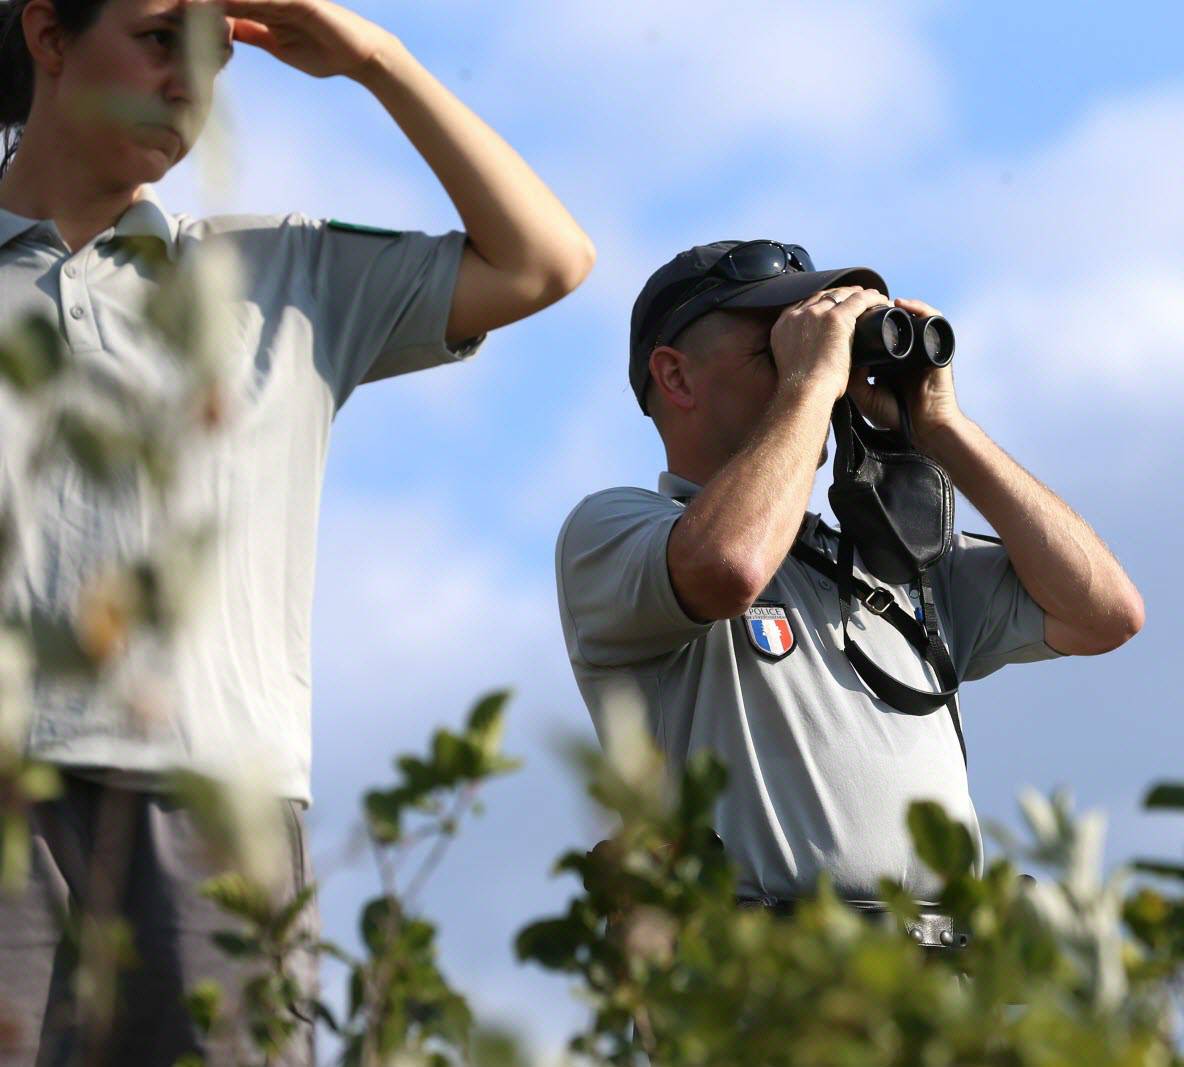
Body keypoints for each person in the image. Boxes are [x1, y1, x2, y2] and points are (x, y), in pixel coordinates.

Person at [0, 0, 594, 1062]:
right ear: (48, 37)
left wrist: (376, 59)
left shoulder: (285, 274)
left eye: (213, 55)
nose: (189, 82)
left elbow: (542, 261)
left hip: (218, 818)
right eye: (156, 39)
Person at [556, 239, 1143, 938]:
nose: (819, 363)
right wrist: (810, 383)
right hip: (766, 1001)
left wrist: (944, 428)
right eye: (775, 346)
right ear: (676, 377)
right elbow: (731, 567)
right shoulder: (619, 532)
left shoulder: (890, 565)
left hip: (937, 1002)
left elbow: (1106, 612)